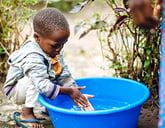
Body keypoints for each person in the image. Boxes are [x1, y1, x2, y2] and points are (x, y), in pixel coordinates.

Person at [3, 8, 93, 128]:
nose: (59, 49)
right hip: (16, 90)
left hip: (38, 82)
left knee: (55, 74)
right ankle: (26, 113)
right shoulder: (32, 56)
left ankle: (50, 108)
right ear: (37, 37)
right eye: (56, 45)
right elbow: (41, 85)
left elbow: (63, 73)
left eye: (63, 44)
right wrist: (69, 92)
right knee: (38, 80)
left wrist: (74, 91)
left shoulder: (52, 49)